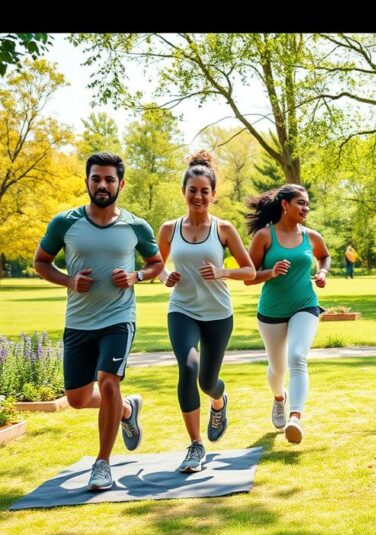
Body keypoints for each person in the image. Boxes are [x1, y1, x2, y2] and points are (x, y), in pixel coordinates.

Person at [33, 152, 164, 491]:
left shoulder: (136, 225)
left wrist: (137, 275)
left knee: (108, 381)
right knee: (77, 398)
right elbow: (41, 262)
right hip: (78, 321)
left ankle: (102, 464)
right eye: (96, 178)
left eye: (109, 179)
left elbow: (156, 263)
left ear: (120, 184)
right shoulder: (65, 222)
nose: (102, 185)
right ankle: (124, 409)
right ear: (87, 181)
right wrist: (69, 281)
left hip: (119, 318)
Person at [157, 151, 256, 472]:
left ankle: (219, 399)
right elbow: (156, 265)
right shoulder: (169, 229)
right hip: (182, 310)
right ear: (184, 192)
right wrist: (164, 277)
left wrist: (223, 272)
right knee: (188, 368)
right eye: (192, 190)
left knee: (207, 381)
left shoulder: (224, 229)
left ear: (213, 195)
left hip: (218, 314)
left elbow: (250, 271)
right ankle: (195, 446)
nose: (198, 196)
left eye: (204, 191)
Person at [245, 184, 331, 444]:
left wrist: (323, 272)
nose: (305, 208)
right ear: (285, 205)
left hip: (305, 305)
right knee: (277, 368)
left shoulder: (311, 236)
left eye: (307, 204)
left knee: (297, 357)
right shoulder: (264, 236)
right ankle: (279, 398)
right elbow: (248, 277)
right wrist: (269, 273)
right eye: (300, 203)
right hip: (271, 311)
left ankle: (295, 418)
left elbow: (324, 256)